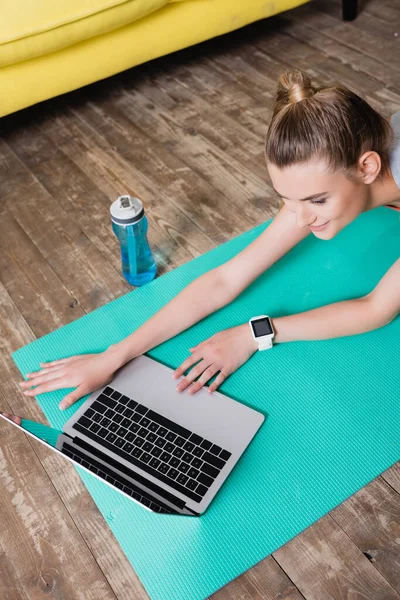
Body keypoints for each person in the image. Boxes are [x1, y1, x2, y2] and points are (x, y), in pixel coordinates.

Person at [20, 71, 400, 410]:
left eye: (317, 200)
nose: (300, 218)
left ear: (367, 167)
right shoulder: (323, 186)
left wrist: (255, 334)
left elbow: (376, 309)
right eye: (287, 199)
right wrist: (112, 356)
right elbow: (225, 280)